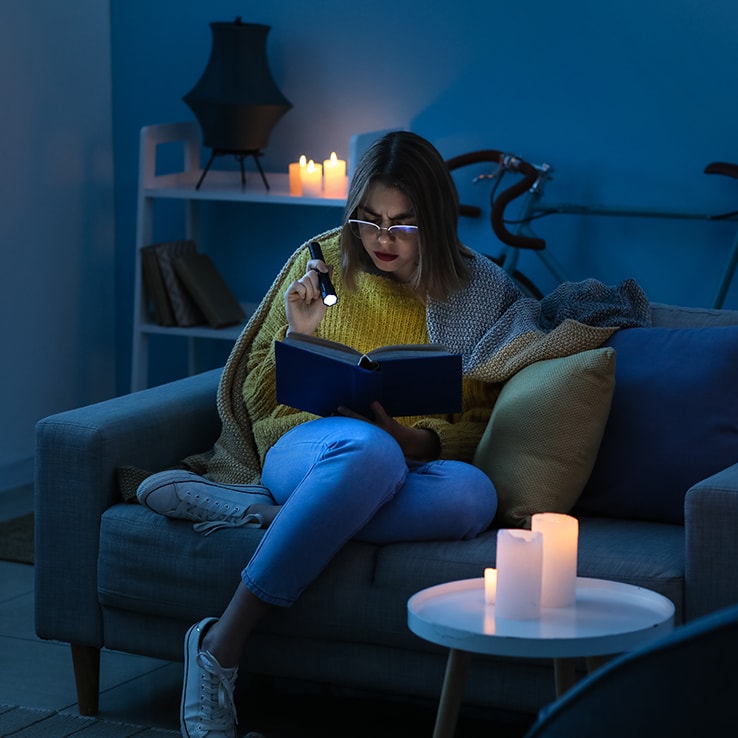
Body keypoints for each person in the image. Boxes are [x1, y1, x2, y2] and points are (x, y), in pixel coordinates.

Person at [137, 131, 651, 738]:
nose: (383, 239)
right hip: (300, 446)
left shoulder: (476, 290)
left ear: (433, 220)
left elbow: (478, 411)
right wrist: (301, 338)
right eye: (371, 220)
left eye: (404, 224)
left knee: (473, 495)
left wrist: (422, 442)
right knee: (366, 449)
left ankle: (274, 517)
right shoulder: (323, 267)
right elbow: (257, 391)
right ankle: (222, 644)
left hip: (396, 463)